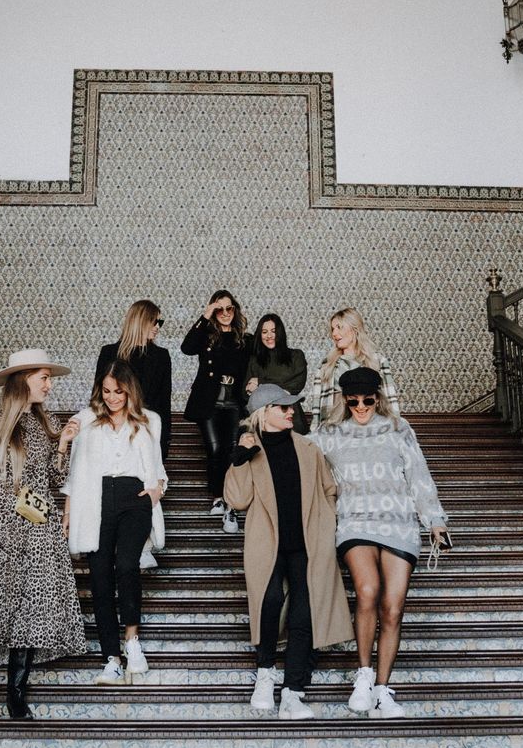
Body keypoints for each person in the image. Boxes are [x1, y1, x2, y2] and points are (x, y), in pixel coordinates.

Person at [0, 349, 87, 720]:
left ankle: (17, 690)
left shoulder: (47, 422)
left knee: (29, 604)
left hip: (35, 524)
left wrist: (63, 443)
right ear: (23, 378)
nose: (49, 384)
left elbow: (58, 480)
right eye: (44, 377)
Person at [313, 367, 447, 719]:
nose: (361, 406)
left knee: (393, 606)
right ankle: (363, 675)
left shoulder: (398, 429)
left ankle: (382, 691)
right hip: (355, 520)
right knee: (368, 590)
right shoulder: (329, 433)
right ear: (344, 399)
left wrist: (434, 520)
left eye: (368, 400)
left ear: (378, 397)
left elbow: (418, 474)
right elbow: (299, 457)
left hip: (399, 522)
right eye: (353, 400)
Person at [224, 384, 354, 720]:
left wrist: (326, 530)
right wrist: (240, 456)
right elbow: (237, 500)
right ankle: (264, 674)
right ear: (264, 413)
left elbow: (329, 490)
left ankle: (294, 693)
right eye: (283, 408)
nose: (291, 412)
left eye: (291, 407)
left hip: (309, 544)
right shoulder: (252, 452)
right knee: (268, 602)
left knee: (303, 615)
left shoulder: (308, 448)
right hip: (267, 544)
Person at [60, 361, 168, 686]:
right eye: (106, 391)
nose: (112, 398)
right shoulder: (88, 421)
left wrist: (152, 495)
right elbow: (74, 473)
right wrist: (68, 512)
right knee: (101, 577)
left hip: (133, 498)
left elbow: (159, 471)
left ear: (128, 389)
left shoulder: (149, 421)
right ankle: (112, 658)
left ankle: (132, 641)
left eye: (118, 391)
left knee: (126, 565)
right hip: (95, 499)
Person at [181, 289, 252, 534]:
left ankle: (232, 503)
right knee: (214, 449)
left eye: (229, 308)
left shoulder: (245, 338)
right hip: (209, 401)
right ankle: (218, 497)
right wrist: (205, 314)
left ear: (235, 309)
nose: (224, 313)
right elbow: (186, 348)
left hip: (233, 401)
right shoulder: (206, 336)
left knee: (232, 449)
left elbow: (258, 364)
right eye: (219, 309)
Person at [95, 300, 173, 462]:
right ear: (140, 321)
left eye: (160, 322)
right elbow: (98, 396)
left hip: (147, 433)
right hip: (114, 433)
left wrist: (162, 443)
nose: (158, 327)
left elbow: (164, 402)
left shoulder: (161, 356)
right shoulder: (109, 353)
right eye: (155, 322)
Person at [304, 307, 402, 422]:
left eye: (339, 327)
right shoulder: (326, 364)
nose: (334, 333)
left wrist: (396, 429)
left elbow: (390, 401)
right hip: (333, 429)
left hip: (367, 430)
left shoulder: (377, 361)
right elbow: (317, 407)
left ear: (355, 329)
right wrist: (316, 431)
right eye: (333, 329)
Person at [244, 313, 309, 432]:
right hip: (264, 423)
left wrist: (260, 382)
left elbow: (297, 384)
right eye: (264, 332)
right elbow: (246, 392)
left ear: (280, 333)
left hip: (293, 419)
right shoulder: (255, 361)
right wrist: (282, 387)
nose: (269, 335)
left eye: (273, 331)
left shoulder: (296, 356)